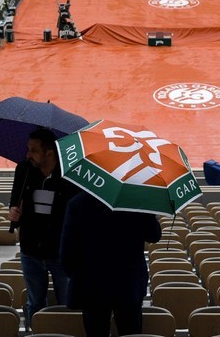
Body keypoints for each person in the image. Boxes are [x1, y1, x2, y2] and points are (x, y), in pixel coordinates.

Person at [60, 192, 162, 337]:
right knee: (130, 332)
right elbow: (154, 235)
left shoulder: (78, 202)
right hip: (128, 283)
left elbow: (66, 252)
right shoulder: (137, 201)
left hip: (91, 283)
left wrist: (78, 275)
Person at [8, 128, 78, 330]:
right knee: (34, 303)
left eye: (33, 150)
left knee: (67, 303)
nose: (27, 154)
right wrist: (13, 213)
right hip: (30, 250)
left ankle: (66, 333)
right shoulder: (23, 170)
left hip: (60, 251)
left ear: (49, 152)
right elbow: (14, 203)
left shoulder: (69, 175)